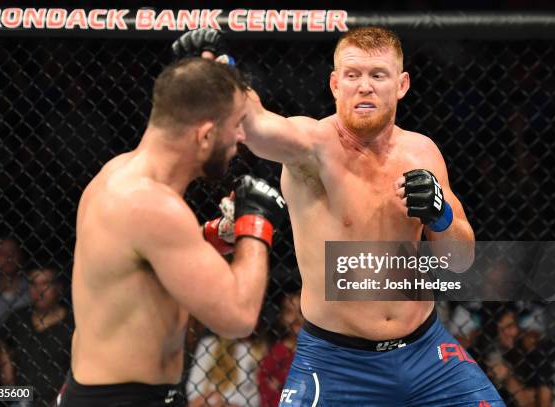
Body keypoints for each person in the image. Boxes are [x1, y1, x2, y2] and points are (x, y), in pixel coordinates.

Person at [173, 27, 504, 405]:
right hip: (336, 363)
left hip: (426, 352)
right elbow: (254, 124)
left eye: (378, 75)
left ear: (401, 84)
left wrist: (441, 216)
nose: (365, 87)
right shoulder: (311, 149)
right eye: (353, 75)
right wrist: (221, 74)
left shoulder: (423, 153)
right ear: (334, 84)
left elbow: (459, 262)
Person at [56, 58, 286, 406]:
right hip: (123, 399)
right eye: (237, 124)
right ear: (205, 134)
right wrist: (256, 223)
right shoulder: (153, 206)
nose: (241, 136)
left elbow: (151, 261)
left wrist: (213, 235)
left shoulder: (119, 174)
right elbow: (238, 318)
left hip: (120, 392)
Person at [0, 267, 73, 406]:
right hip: (22, 394)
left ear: (58, 288)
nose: (39, 290)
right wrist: (4, 356)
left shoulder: (72, 322)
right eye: (33, 284)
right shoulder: (19, 317)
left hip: (60, 396)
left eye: (45, 283)